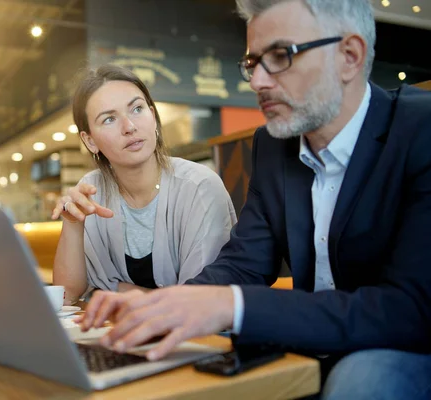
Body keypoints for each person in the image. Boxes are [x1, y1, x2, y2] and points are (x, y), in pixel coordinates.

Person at [76, 1, 431, 399]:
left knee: (365, 379)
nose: (258, 81)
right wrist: (172, 305)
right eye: (253, 62)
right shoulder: (273, 144)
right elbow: (244, 262)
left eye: (281, 56)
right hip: (311, 344)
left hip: (404, 347)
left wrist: (229, 305)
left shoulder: (422, 130)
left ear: (349, 56)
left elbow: (411, 309)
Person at [51, 65, 237, 305]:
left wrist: (116, 291)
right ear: (89, 141)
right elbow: (67, 296)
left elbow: (198, 301)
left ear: (153, 117)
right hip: (119, 336)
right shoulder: (91, 191)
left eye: (137, 109)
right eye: (109, 119)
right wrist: (73, 224)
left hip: (198, 338)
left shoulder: (198, 187)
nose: (129, 127)